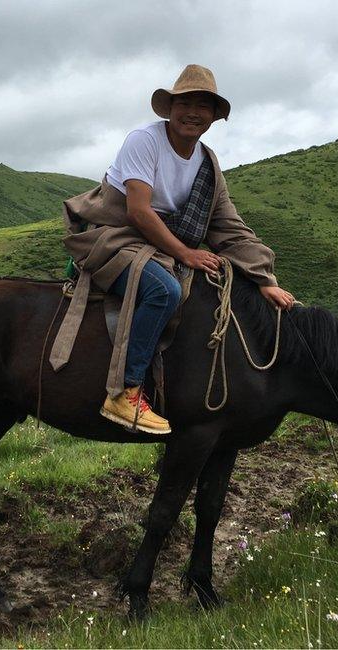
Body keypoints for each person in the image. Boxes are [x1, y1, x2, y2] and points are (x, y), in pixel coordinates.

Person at [49, 64, 297, 435]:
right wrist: (186, 253)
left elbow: (228, 227)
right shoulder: (144, 141)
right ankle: (125, 392)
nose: (193, 112)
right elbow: (138, 211)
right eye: (185, 103)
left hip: (157, 245)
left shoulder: (208, 165)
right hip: (114, 235)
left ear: (213, 117)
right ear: (170, 107)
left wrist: (264, 279)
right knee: (164, 290)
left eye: (204, 106)